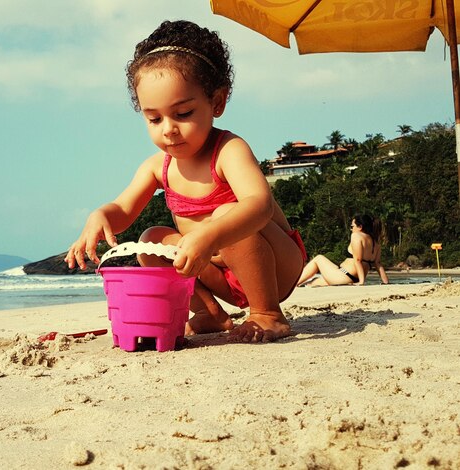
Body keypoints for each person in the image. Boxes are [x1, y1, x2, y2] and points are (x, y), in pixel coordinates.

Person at [65, 20, 306, 343]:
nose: (168, 129)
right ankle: (210, 312)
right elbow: (123, 209)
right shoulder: (157, 167)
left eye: (183, 114)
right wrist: (101, 216)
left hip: (275, 268)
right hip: (219, 273)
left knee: (226, 213)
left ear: (216, 103)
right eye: (154, 118)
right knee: (152, 241)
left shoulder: (228, 151)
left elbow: (259, 205)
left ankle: (268, 314)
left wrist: (209, 235)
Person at [297, 214, 389, 287]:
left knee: (318, 258)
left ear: (360, 227)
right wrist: (386, 282)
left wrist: (361, 282)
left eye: (352, 226)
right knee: (314, 282)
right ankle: (301, 284)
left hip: (344, 276)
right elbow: (378, 264)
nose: (351, 229)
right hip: (350, 277)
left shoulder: (357, 236)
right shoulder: (376, 242)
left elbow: (358, 260)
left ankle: (293, 284)